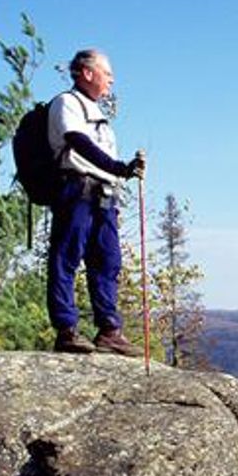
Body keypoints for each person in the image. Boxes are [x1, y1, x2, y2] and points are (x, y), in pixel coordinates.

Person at [46, 49, 146, 355]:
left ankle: (109, 330)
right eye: (107, 73)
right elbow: (79, 142)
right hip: (76, 190)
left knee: (108, 262)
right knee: (66, 257)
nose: (112, 80)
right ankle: (66, 330)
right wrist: (118, 168)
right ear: (88, 73)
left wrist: (121, 173)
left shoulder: (97, 114)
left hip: (103, 196)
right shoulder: (67, 103)